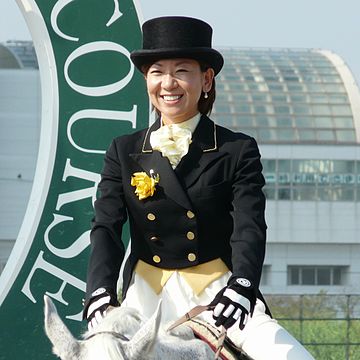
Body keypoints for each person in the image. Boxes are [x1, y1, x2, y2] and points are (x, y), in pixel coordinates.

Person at [83, 16, 314, 359]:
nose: (168, 83)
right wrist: (99, 290)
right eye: (158, 71)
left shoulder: (236, 149)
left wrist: (243, 285)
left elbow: (249, 227)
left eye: (181, 71)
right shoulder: (123, 149)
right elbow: (106, 227)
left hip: (218, 293)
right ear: (147, 79)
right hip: (144, 296)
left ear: (205, 79)